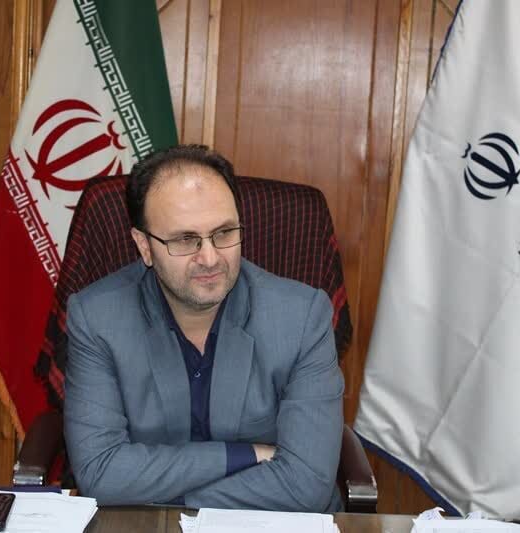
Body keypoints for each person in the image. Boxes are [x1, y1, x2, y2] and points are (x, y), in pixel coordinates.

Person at [63, 144, 345, 511]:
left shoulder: (302, 317)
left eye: (224, 233)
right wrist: (244, 455)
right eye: (185, 240)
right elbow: (101, 473)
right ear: (144, 246)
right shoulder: (97, 318)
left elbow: (306, 485)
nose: (210, 258)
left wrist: (166, 500)